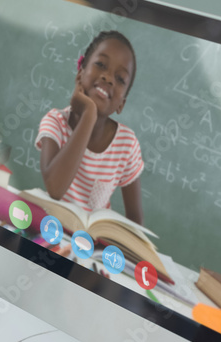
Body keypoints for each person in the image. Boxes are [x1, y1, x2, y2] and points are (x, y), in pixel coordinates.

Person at [35, 30, 144, 225]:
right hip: (48, 231)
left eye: (120, 79)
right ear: (80, 73)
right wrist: (89, 115)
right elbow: (55, 187)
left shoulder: (127, 145)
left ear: (121, 104)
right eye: (101, 65)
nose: (108, 78)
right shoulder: (55, 122)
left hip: (90, 246)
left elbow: (135, 220)